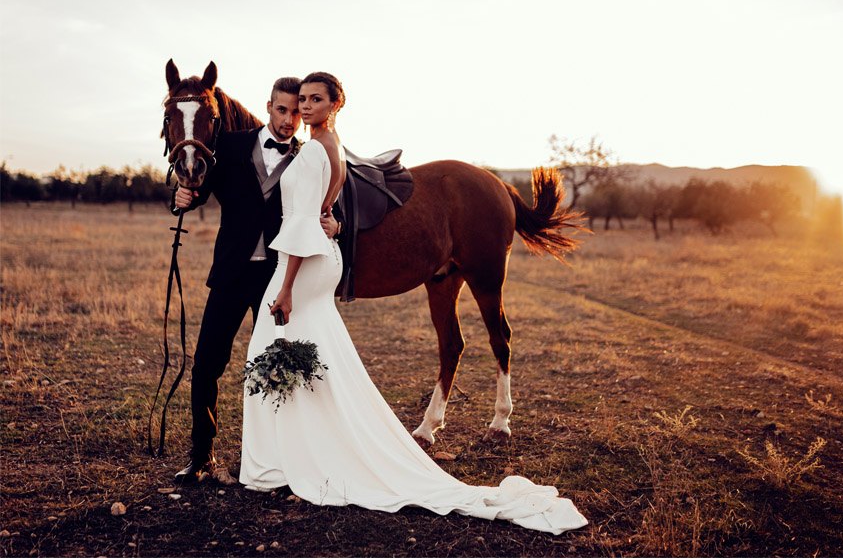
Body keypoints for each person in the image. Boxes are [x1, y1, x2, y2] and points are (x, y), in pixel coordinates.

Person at [239, 72, 588, 534]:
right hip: (311, 261)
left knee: (487, 318)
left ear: (335, 104)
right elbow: (321, 211)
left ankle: (502, 406)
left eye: (314, 99)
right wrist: (334, 225)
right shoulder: (320, 146)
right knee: (305, 356)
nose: (303, 107)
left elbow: (309, 218)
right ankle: (302, 451)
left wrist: (288, 282)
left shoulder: (322, 147)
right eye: (300, 99)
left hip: (302, 268)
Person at [171, 77, 339, 484]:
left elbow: (324, 204)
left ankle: (277, 460)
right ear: (268, 107)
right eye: (281, 110)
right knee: (207, 361)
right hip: (231, 273)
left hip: (277, 278)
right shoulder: (230, 144)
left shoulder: (307, 156)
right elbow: (197, 187)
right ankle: (202, 454)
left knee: (279, 367)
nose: (288, 120)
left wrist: (336, 224)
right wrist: (179, 197)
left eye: (296, 112)